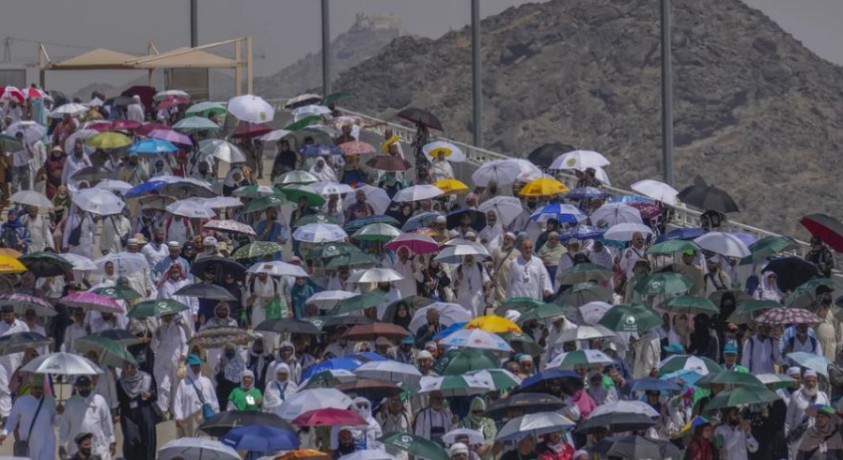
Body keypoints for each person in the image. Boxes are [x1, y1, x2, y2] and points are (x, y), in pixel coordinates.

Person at [58, 376, 116, 460]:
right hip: (77, 448)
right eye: (81, 387)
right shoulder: (71, 403)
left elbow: (107, 422)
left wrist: (112, 441)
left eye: (86, 386)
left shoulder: (100, 400)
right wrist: (61, 444)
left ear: (90, 385)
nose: (84, 389)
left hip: (97, 445)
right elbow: (65, 425)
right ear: (77, 387)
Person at [0, 375, 57, 460]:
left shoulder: (50, 402)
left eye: (40, 388)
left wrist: (60, 413)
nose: (38, 390)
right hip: (28, 444)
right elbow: (12, 421)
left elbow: (56, 422)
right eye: (36, 387)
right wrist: (4, 433)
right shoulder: (21, 401)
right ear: (31, 387)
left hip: (47, 444)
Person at [115, 363, 157, 460]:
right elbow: (119, 400)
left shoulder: (146, 378)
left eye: (132, 367)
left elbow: (155, 396)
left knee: (146, 442)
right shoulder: (120, 382)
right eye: (126, 367)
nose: (129, 370)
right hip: (128, 415)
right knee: (131, 441)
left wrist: (149, 395)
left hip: (144, 414)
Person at [173, 354, 219, 438]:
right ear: (188, 366)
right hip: (188, 420)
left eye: (198, 365)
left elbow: (213, 399)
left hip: (204, 419)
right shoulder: (183, 383)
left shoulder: (206, 381)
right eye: (193, 366)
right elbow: (178, 402)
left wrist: (216, 413)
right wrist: (178, 417)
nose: (196, 368)